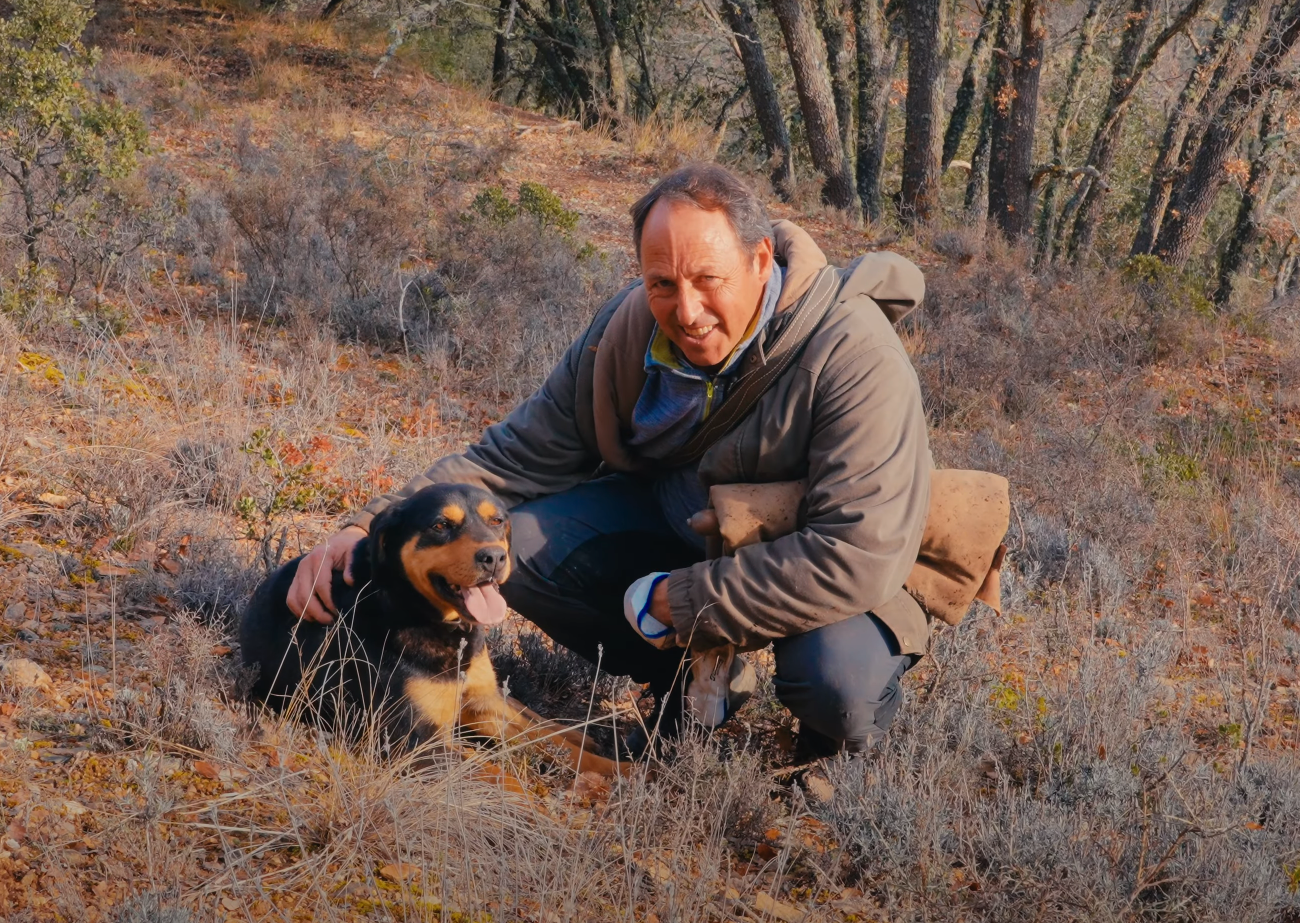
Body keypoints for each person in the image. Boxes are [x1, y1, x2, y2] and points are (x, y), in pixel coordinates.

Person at [286, 163, 932, 757]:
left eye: (709, 280)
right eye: (662, 283)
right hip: (684, 527)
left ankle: (833, 756)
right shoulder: (627, 327)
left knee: (839, 688)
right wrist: (365, 524)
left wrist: (683, 599)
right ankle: (689, 683)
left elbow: (857, 552)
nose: (686, 311)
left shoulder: (854, 352)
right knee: (524, 546)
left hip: (826, 561)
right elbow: (515, 454)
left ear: (761, 259)